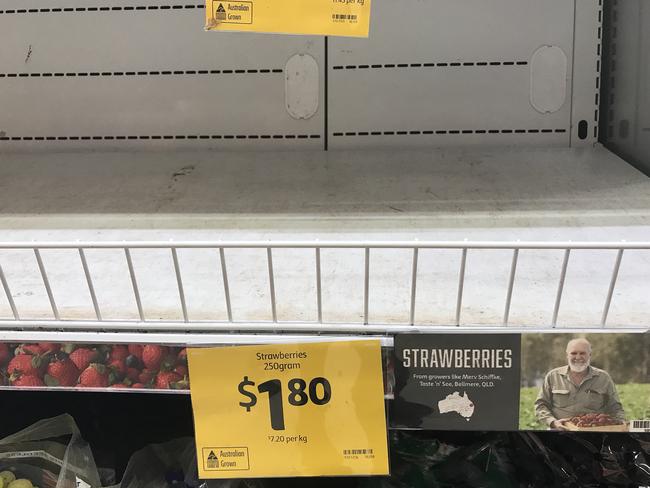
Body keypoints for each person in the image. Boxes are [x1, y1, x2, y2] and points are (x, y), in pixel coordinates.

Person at [535, 338, 625, 430]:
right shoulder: (553, 376)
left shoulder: (603, 378)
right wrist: (553, 422)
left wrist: (620, 425)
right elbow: (541, 405)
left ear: (590, 355)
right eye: (573, 353)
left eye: (582, 353)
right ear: (567, 355)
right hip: (559, 432)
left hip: (594, 433)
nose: (578, 357)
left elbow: (615, 408)